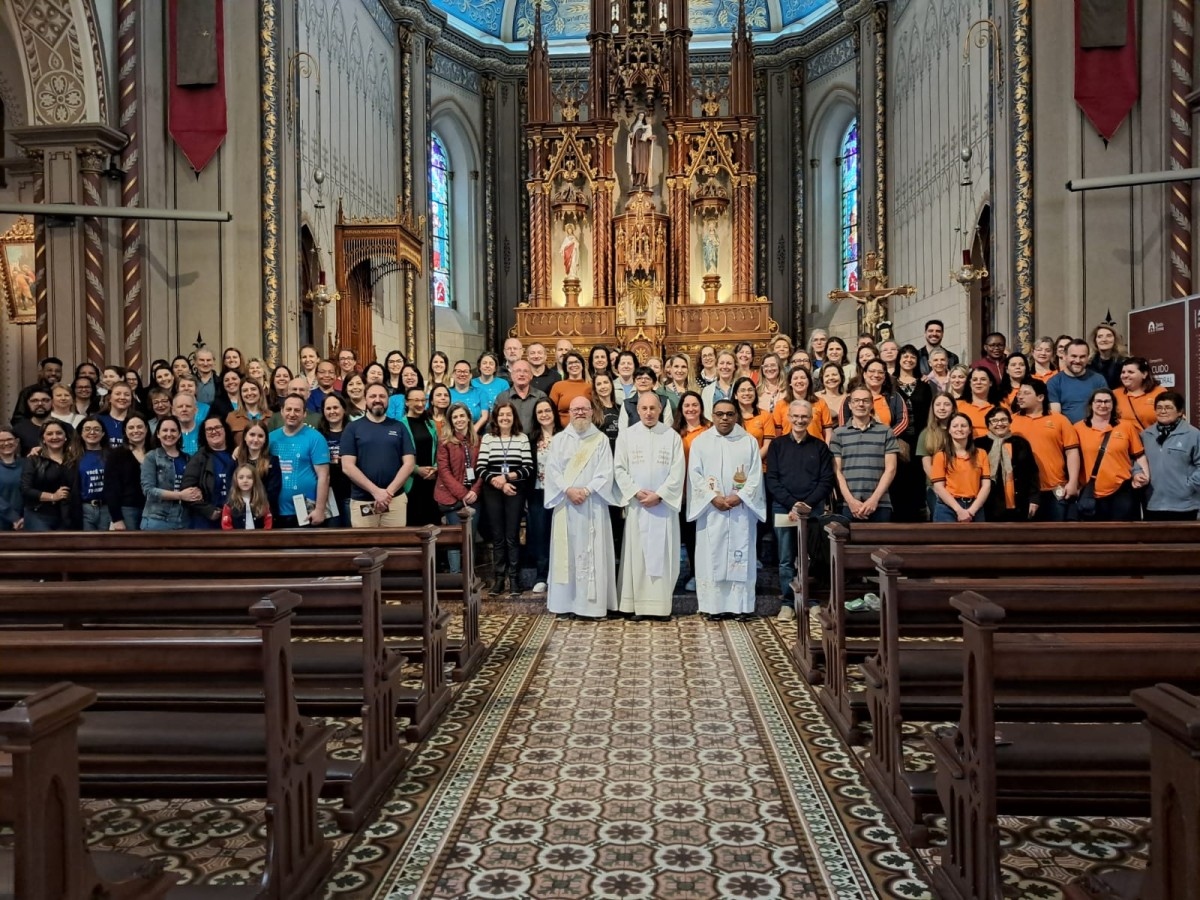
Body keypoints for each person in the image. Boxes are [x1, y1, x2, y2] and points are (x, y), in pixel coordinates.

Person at [686, 399, 766, 620]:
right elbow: (695, 475)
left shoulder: (748, 441)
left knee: (740, 555)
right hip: (711, 512)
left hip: (741, 512)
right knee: (712, 557)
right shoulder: (701, 442)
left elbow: (755, 476)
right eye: (719, 414)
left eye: (729, 414)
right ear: (712, 415)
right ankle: (713, 606)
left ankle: (741, 606)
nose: (724, 418)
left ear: (736, 416)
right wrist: (713, 498)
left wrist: (740, 497)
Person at [543, 396, 618, 619]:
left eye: (584, 409)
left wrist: (586, 491)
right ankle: (565, 604)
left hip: (592, 505)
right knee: (566, 555)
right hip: (566, 505)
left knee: (592, 552)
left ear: (591, 411)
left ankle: (592, 607)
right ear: (569, 412)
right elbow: (552, 471)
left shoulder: (600, 439)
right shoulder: (559, 440)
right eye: (575, 409)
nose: (580, 413)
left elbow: (606, 472)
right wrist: (568, 490)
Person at [613, 392, 686, 620]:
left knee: (662, 555)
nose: (648, 413)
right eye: (644, 408)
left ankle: (660, 607)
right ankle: (636, 605)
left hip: (663, 507)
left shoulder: (671, 436)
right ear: (637, 410)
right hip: (638, 506)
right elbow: (619, 469)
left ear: (660, 409)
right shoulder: (626, 436)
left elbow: (678, 471)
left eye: (653, 408)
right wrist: (636, 491)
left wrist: (660, 495)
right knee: (638, 554)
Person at [764, 400, 835, 621]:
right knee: (786, 559)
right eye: (795, 416)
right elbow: (772, 479)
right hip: (783, 507)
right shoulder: (777, 446)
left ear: (811, 419)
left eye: (804, 416)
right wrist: (792, 504)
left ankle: (809, 600)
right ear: (788, 417)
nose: (799, 420)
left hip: (812, 509)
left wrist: (806, 505)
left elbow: (826, 480)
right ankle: (788, 602)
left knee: (810, 557)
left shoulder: (820, 447)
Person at [340, 384, 417, 528]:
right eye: (372, 396)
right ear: (365, 399)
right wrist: (376, 492)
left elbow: (409, 464)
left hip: (394, 500)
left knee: (395, 542)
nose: (377, 400)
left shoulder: (399, 427)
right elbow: (347, 466)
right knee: (365, 542)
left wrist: (388, 493)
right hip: (363, 501)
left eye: (382, 396)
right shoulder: (352, 428)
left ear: (388, 400)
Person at [477, 402, 533, 595]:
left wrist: (507, 478)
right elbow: (481, 468)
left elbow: (528, 468)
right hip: (492, 490)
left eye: (508, 414)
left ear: (514, 417)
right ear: (496, 418)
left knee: (512, 535)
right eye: (501, 415)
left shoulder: (522, 438)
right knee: (498, 536)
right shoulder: (488, 438)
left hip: (515, 489)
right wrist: (499, 483)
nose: (505, 418)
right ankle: (499, 579)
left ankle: (514, 579)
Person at [1010, 377, 1080, 521]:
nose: (1020, 396)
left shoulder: (1059, 420)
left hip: (1054, 488)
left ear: (1040, 397)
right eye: (1019, 393)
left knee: (1056, 533)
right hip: (1023, 492)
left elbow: (1072, 452)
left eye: (1026, 393)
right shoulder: (1011, 421)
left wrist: (1073, 482)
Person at [1074, 388, 1147, 521]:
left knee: (1123, 531)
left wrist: (1145, 476)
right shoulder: (1077, 428)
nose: (1103, 405)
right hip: (1090, 491)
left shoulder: (1126, 426)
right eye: (1099, 401)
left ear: (1113, 404)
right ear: (1091, 404)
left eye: (1107, 401)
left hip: (1122, 489)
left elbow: (1139, 455)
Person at [830, 386, 899, 522]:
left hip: (880, 504)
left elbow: (891, 469)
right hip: (847, 506)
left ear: (872, 404)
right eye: (856, 400)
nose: (860, 404)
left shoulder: (886, 432)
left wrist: (874, 499)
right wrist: (851, 501)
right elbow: (836, 471)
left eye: (865, 400)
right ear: (850, 405)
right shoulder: (838, 434)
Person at [270, 394, 331, 527]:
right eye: (288, 409)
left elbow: (324, 476)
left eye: (297, 410)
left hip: (307, 512)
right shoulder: (270, 438)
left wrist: (320, 509)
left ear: (304, 414)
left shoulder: (316, 438)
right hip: (275, 511)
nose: (292, 414)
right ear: (282, 411)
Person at [435, 403, 482, 574]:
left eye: (462, 416)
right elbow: (444, 471)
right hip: (452, 497)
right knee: (455, 539)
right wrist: (463, 494)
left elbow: (483, 468)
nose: (459, 419)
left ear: (468, 418)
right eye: (455, 417)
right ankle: (455, 576)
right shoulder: (444, 441)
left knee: (470, 537)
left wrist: (474, 491)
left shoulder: (478, 440)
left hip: (474, 496)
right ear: (450, 421)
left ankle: (469, 577)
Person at [1140, 390, 1200, 520]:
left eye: (1168, 407)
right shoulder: (1146, 435)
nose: (1163, 411)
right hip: (1153, 503)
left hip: (1185, 505)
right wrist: (1137, 473)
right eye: (1159, 407)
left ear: (1180, 411)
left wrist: (1189, 486)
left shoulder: (1193, 434)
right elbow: (1138, 461)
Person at [976, 406, 1040, 522]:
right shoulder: (979, 444)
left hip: (1020, 504)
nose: (1000, 424)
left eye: (1004, 420)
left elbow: (1032, 473)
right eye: (994, 420)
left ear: (1010, 422)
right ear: (988, 424)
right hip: (989, 505)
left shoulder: (1021, 443)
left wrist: (1034, 499)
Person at [527, 397, 563, 594]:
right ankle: (542, 576)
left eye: (547, 410)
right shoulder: (531, 439)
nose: (544, 415)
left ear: (554, 412)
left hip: (562, 493)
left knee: (561, 534)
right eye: (540, 412)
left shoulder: (565, 435)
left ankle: (560, 576)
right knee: (540, 534)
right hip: (538, 492)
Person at [929, 412, 991, 522]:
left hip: (975, 507)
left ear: (970, 430)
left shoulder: (981, 454)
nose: (959, 429)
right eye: (955, 426)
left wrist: (971, 511)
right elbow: (939, 487)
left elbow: (986, 486)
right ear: (949, 430)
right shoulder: (940, 456)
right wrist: (959, 511)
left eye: (963, 426)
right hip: (948, 508)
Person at [139, 415, 196, 530]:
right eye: (165, 430)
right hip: (156, 520)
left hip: (183, 520)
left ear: (179, 434)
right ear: (158, 434)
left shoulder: (188, 458)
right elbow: (148, 490)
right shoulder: (151, 457)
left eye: (173, 430)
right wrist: (180, 495)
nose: (169, 434)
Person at [21, 420, 78, 531]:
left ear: (66, 437)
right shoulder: (33, 459)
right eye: (49, 434)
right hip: (39, 514)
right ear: (43, 439)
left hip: (67, 516)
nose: (54, 437)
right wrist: (53, 496)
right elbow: (25, 489)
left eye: (59, 433)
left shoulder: (74, 459)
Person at [181, 415, 236, 529]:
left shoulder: (237, 455)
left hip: (234, 519)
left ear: (225, 429)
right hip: (206, 521)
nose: (214, 431)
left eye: (217, 427)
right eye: (209, 429)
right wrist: (208, 510)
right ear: (204, 434)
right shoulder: (198, 458)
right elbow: (187, 491)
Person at [399, 386, 441, 527]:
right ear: (407, 402)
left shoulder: (431, 423)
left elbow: (438, 449)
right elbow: (398, 454)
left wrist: (435, 468)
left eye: (424, 400)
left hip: (431, 480)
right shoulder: (400, 425)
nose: (421, 404)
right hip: (411, 482)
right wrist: (416, 469)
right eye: (416, 400)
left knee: (433, 524)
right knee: (414, 524)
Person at [104, 415, 150, 530]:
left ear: (146, 429)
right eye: (131, 427)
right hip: (127, 510)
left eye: (139, 427)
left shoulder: (154, 452)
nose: (136, 430)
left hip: (152, 510)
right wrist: (117, 519)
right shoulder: (116, 455)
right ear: (125, 430)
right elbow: (110, 489)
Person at [1048, 339, 1107, 423]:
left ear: (1088, 358)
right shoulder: (1054, 382)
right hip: (1067, 429)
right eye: (1074, 356)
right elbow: (1056, 417)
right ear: (1064, 356)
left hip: (1095, 428)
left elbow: (1106, 410)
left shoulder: (1098, 380)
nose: (1078, 361)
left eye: (1082, 357)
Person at [233, 422, 282, 517]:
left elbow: (273, 491)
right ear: (245, 437)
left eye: (260, 436)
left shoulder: (273, 461)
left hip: (264, 514)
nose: (255, 439)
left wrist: (256, 506)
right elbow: (231, 488)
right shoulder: (236, 461)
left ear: (265, 440)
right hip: (240, 513)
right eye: (252, 435)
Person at [319, 394, 352, 526]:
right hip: (328, 494)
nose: (332, 411)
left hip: (350, 491)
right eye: (328, 408)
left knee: (351, 531)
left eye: (335, 407)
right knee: (332, 531)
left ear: (344, 409)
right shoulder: (318, 435)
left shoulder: (354, 431)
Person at [1113, 357, 1164, 433]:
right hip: (1126, 439)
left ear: (1144, 374)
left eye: (1130, 372)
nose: (1125, 375)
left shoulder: (1159, 392)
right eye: (1123, 372)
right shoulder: (1114, 394)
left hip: (1154, 439)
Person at [494, 360, 547, 434]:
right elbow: (494, 423)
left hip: (536, 439)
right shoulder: (502, 398)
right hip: (510, 439)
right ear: (511, 375)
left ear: (531, 376)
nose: (522, 374)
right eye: (518, 371)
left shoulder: (540, 396)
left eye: (525, 371)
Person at [11, 356, 64, 423]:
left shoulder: (65, 393)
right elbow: (18, 418)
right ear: (41, 372)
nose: (53, 373)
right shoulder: (28, 392)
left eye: (57, 371)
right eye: (49, 370)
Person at [221, 464, 274, 530]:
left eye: (249, 477)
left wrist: (264, 535)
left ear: (255, 480)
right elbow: (226, 525)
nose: (245, 481)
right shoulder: (229, 504)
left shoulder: (262, 502)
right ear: (236, 480)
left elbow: (268, 522)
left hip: (259, 536)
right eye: (241, 478)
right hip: (237, 536)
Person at [548, 352, 592, 427]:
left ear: (582, 366)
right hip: (562, 429)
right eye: (570, 363)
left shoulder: (590, 387)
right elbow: (550, 410)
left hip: (586, 429)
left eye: (576, 362)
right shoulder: (558, 386)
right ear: (566, 368)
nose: (574, 365)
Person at [226, 378, 269, 447]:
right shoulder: (232, 417)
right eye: (245, 390)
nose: (249, 393)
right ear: (241, 394)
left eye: (253, 389)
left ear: (260, 392)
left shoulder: (271, 416)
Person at [449, 359, 487, 432]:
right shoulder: (447, 393)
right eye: (459, 371)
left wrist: (472, 431)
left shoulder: (480, 392)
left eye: (466, 372)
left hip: (476, 433)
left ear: (470, 375)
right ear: (453, 374)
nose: (462, 374)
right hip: (451, 434)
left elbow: (484, 416)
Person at [13, 387, 54, 455]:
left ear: (52, 402)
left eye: (45, 400)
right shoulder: (18, 430)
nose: (40, 403)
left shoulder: (65, 427)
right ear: (27, 403)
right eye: (34, 400)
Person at [957, 367, 995, 438]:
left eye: (983, 379)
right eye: (975, 380)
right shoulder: (958, 405)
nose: (978, 382)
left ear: (990, 383)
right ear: (970, 383)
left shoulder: (1001, 406)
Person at [0, 425, 25, 530]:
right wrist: (14, 518)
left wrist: (25, 518)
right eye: (1, 441)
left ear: (17, 441)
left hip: (25, 523)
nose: (6, 443)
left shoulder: (27, 464)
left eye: (9, 439)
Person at [1088, 323, 1127, 389]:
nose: (1104, 340)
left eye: (1109, 336)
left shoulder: (1124, 362)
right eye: (1100, 336)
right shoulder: (1088, 363)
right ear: (1095, 341)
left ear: (1115, 340)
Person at [700, 350, 737, 416]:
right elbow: (706, 415)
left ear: (734, 367)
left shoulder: (739, 388)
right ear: (716, 366)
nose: (725, 366)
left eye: (729, 363)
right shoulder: (707, 391)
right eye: (721, 363)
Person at [98, 383, 134, 447]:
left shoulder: (137, 421)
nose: (122, 397)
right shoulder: (97, 420)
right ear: (109, 398)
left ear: (131, 399)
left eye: (127, 395)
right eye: (118, 394)